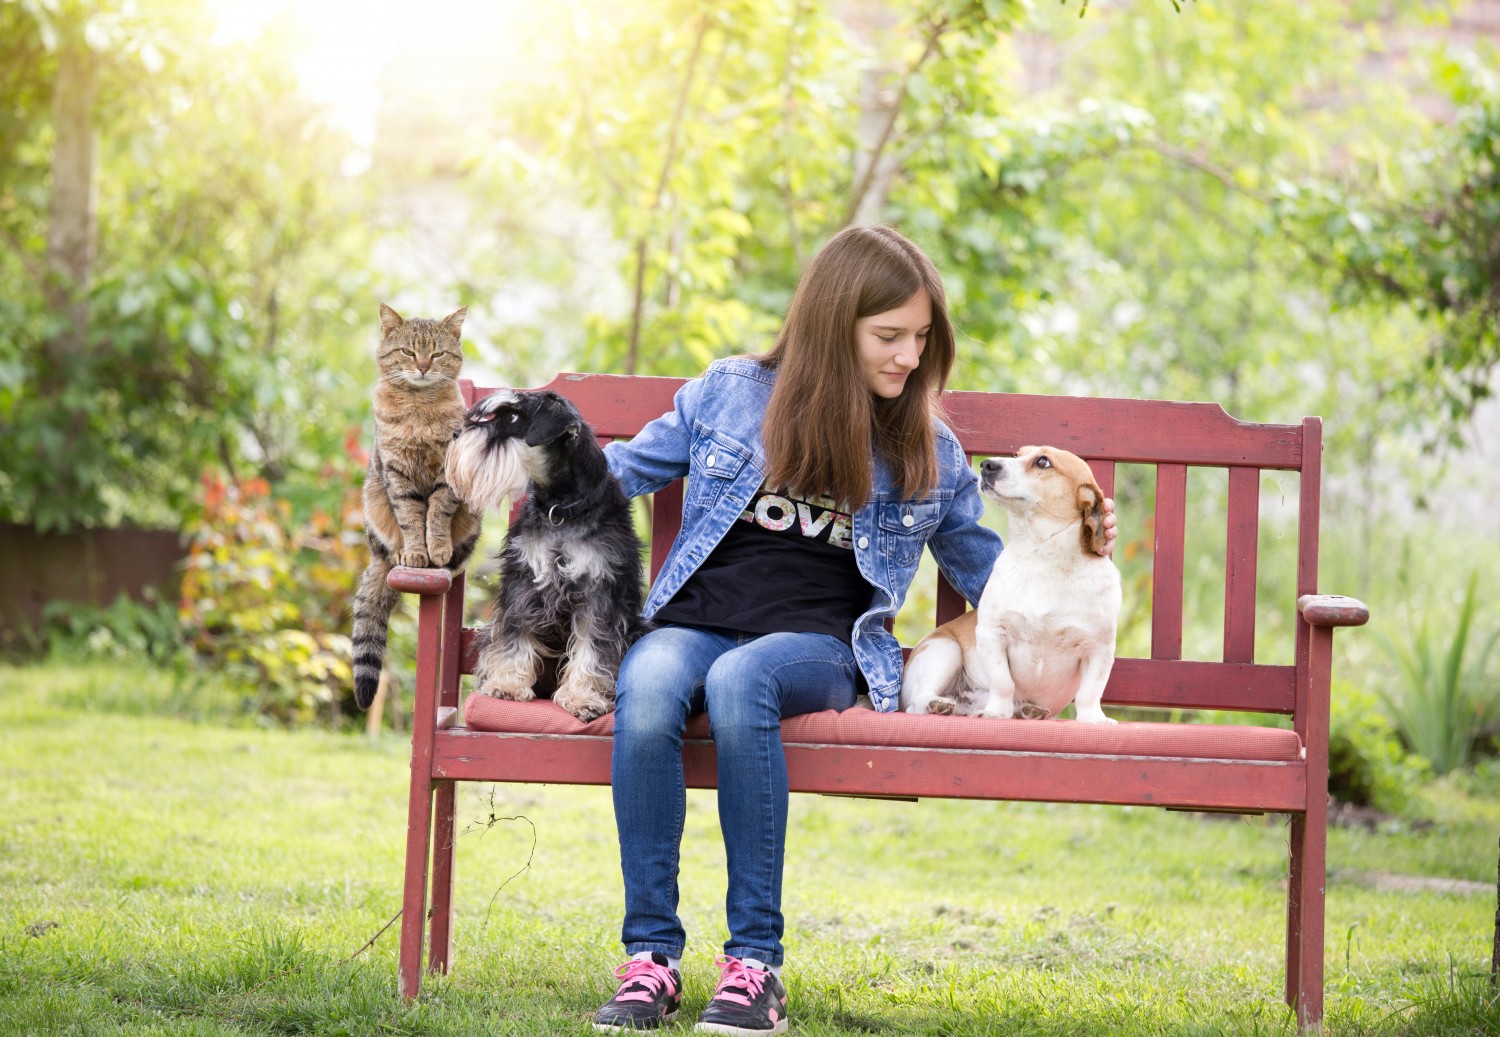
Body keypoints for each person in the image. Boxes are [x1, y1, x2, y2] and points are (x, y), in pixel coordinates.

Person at [592, 225, 1115, 1035]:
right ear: (835, 324)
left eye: (921, 338)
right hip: (695, 621)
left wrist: (1080, 570)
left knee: (743, 679)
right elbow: (613, 474)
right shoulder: (730, 392)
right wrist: (497, 477)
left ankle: (753, 967)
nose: (910, 356)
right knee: (652, 679)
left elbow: (992, 576)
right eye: (889, 336)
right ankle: (651, 959)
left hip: (820, 648)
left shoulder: (928, 449)